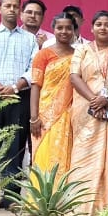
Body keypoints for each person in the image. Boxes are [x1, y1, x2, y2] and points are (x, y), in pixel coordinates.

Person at [0, 0, 38, 205]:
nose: (12, 9)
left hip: (19, 97)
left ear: (19, 11)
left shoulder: (30, 39)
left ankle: (11, 195)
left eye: (15, 6)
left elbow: (33, 68)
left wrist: (15, 87)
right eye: (7, 6)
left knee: (15, 144)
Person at [68, 10, 108, 216]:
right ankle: (80, 206)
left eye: (107, 25)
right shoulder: (82, 50)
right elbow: (74, 77)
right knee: (83, 153)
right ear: (92, 28)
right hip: (86, 109)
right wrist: (95, 100)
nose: (103, 28)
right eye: (99, 24)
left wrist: (106, 97)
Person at [29, 14, 78, 175]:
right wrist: (34, 117)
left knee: (66, 153)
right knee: (44, 153)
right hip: (45, 114)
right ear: (53, 30)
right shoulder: (43, 55)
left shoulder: (79, 55)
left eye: (68, 28)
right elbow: (35, 86)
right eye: (60, 28)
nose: (64, 31)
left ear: (74, 30)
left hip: (70, 112)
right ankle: (42, 190)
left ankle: (62, 190)